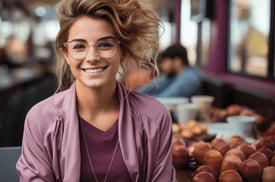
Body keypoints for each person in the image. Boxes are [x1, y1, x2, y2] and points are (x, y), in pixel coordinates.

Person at [16, 0, 176, 181]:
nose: (92, 57)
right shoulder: (40, 119)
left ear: (122, 51)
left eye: (105, 45)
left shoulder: (155, 117)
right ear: (65, 54)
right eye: (79, 46)